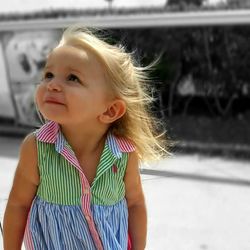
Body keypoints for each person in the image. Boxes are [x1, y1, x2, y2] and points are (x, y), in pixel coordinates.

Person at [3, 25, 169, 250]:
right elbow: (18, 205)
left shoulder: (123, 154)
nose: (51, 84)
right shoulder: (37, 148)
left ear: (110, 111)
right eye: (48, 74)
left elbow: (136, 204)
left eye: (72, 78)